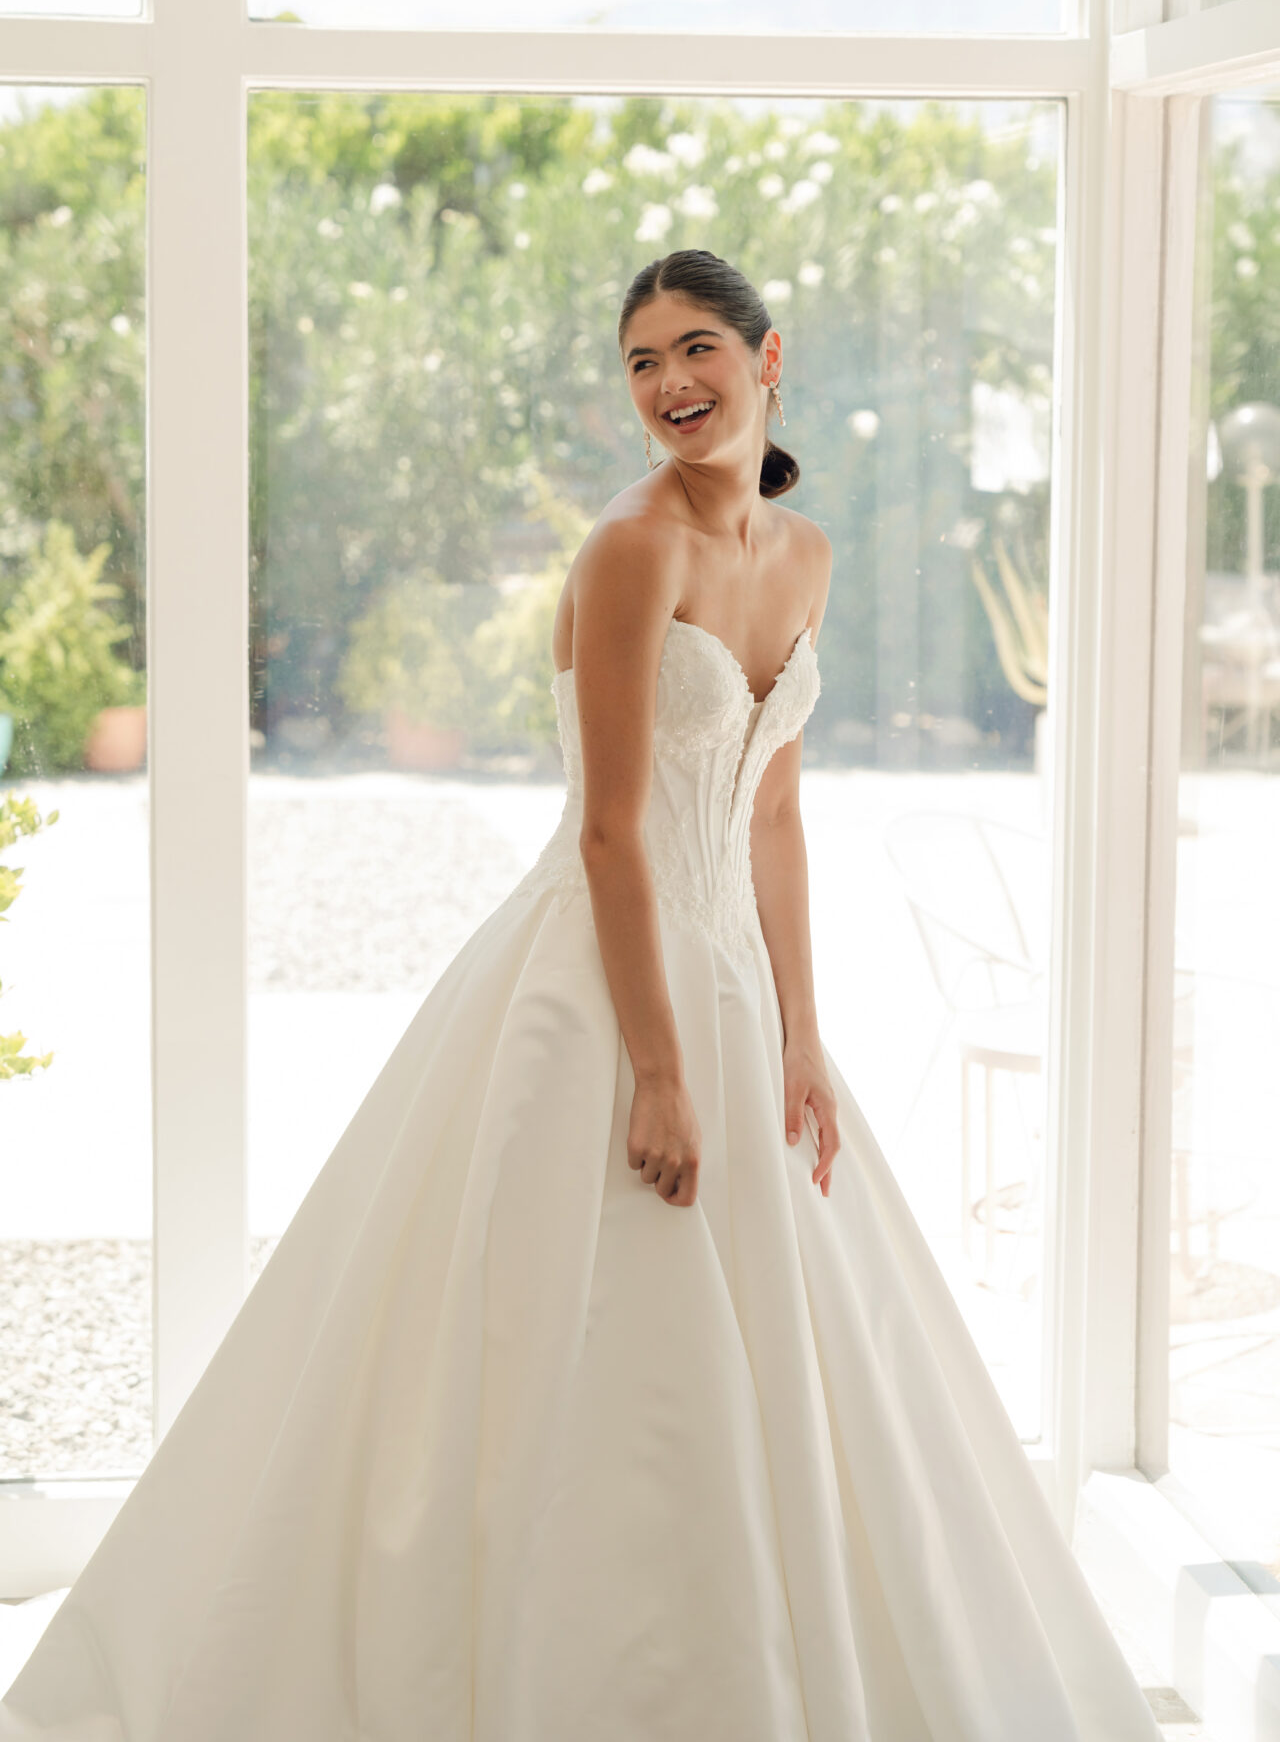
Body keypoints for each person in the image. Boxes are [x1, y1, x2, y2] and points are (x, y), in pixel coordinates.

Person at [0, 249, 1162, 1741]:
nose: (669, 384)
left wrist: (805, 1036)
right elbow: (614, 824)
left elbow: (772, 815)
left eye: (694, 350)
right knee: (570, 1338)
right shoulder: (630, 550)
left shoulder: (802, 557)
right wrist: (662, 1070)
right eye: (638, 362)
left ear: (766, 357)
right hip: (596, 977)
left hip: (737, 984)